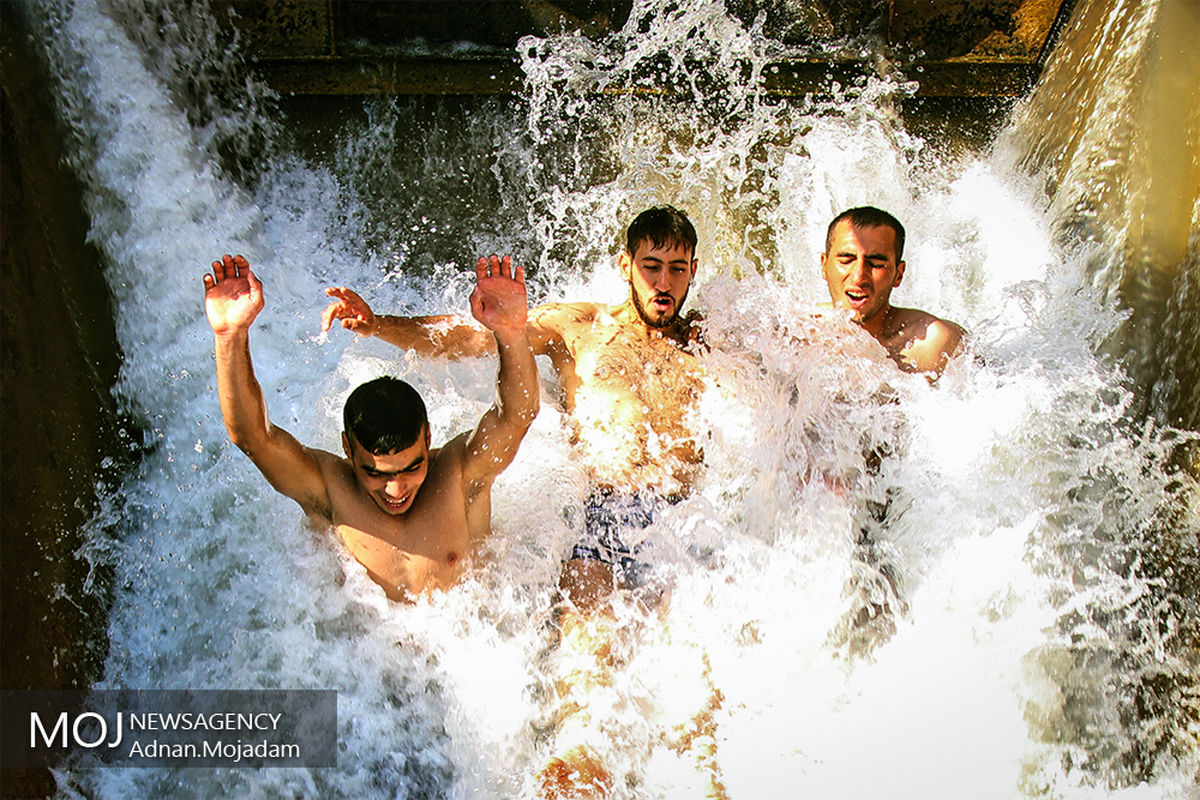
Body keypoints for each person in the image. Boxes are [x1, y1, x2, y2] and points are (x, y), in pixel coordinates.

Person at [321, 207, 722, 796]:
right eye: (651, 266)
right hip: (604, 525)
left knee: (699, 711)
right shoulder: (579, 326)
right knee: (586, 692)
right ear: (625, 265)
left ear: (693, 272)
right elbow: (473, 337)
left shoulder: (713, 340)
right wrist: (380, 324)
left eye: (678, 269)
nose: (664, 283)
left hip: (686, 526)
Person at [203, 253, 539, 602]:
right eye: (376, 474)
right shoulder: (328, 489)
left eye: (412, 467)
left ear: (427, 438)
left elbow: (517, 416)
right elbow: (252, 437)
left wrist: (512, 332)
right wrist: (230, 335)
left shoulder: (459, 475)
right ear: (348, 448)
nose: (396, 490)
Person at [820, 206, 964, 376]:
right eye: (846, 260)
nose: (858, 277)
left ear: (898, 274)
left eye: (876, 264)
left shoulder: (936, 344)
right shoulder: (795, 337)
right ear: (824, 266)